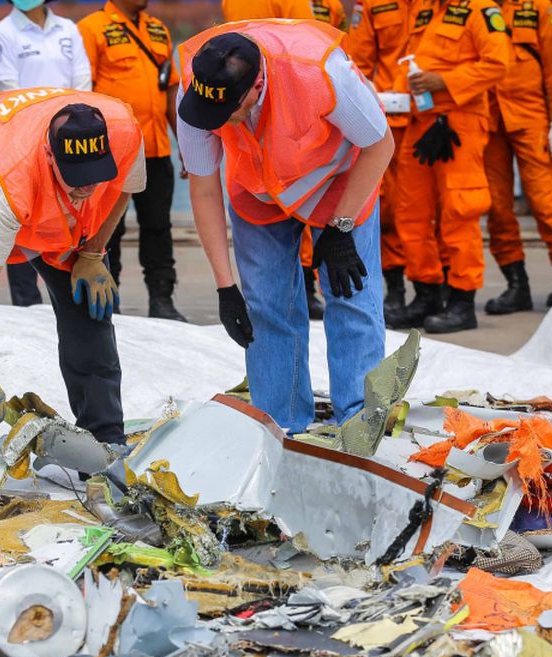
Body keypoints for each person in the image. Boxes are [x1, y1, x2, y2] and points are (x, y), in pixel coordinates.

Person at [177, 22, 396, 433]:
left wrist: (342, 227)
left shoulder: (321, 72)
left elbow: (379, 145)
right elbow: (204, 188)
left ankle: (361, 419)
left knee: (352, 296)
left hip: (339, 180)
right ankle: (280, 422)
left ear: (256, 87)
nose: (214, 123)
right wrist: (225, 286)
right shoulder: (198, 88)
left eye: (227, 112)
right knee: (267, 306)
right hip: (258, 191)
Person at [0, 89, 145, 486]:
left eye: (96, 177)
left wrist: (93, 253)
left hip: (59, 216)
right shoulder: (11, 174)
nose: (88, 188)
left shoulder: (125, 132)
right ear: (49, 155)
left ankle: (104, 447)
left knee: (89, 312)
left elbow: (125, 187)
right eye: (77, 179)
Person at [385, 0, 511, 333]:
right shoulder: (424, 10)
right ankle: (426, 293)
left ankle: (461, 300)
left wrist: (446, 81)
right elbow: (409, 65)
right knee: (409, 211)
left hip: (459, 124)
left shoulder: (481, 11)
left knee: (460, 210)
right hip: (419, 122)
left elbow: (499, 63)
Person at [219, 0, 348, 322]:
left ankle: (307, 278)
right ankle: (302, 281)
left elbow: (331, 51)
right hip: (270, 111)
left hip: (307, 108)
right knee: (281, 198)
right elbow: (245, 57)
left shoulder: (327, 5)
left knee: (309, 195)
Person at [78, 0, 187, 322]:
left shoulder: (158, 29)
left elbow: (169, 90)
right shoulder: (91, 29)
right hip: (112, 153)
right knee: (108, 230)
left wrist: (186, 144)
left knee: (159, 228)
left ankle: (162, 300)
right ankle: (108, 300)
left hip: (155, 150)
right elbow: (83, 92)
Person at [0, 0, 93, 308]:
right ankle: (26, 304)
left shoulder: (68, 29)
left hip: (70, 141)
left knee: (72, 216)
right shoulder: (2, 33)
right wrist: (41, 132)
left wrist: (72, 128)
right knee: (21, 222)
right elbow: (7, 91)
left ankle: (71, 299)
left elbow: (83, 83)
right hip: (24, 142)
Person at [482, 0, 552, 315]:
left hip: (531, 117)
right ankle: (516, 285)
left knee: (544, 201)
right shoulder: (474, 8)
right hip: (488, 119)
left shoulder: (537, 7)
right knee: (496, 206)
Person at [347, 0, 413, 318]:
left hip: (441, 117)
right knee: (385, 209)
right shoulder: (373, 4)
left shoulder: (449, 6)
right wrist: (366, 94)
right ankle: (396, 288)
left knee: (448, 209)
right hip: (387, 116)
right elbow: (355, 62)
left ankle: (442, 292)